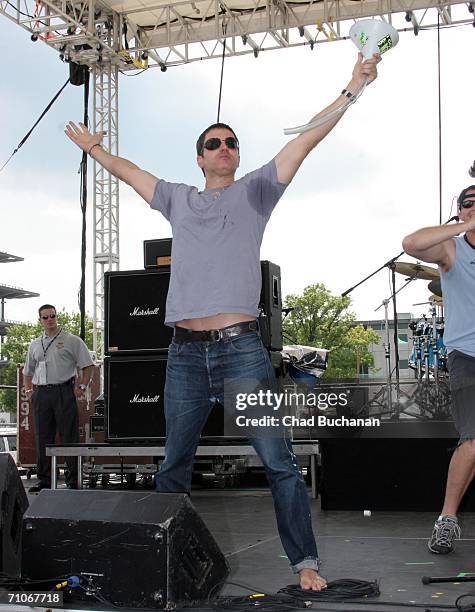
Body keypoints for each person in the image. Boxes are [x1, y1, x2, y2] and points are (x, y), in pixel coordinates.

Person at [65, 52, 381, 590]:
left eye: (232, 141)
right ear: (200, 158)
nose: (225, 148)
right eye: (214, 142)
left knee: (279, 461)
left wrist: (353, 86)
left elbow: (306, 139)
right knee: (173, 467)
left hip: (242, 352)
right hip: (186, 352)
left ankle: (304, 563)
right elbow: (131, 171)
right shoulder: (177, 199)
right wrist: (94, 148)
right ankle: (156, 564)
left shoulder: (256, 190)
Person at [402, 186, 475, 554]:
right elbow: (411, 242)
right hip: (467, 355)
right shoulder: (452, 248)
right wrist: (462, 226)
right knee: (474, 440)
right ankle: (447, 520)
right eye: (469, 202)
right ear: (459, 210)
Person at [24, 304, 94, 492]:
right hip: (42, 393)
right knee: (43, 437)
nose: (49, 320)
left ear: (57, 317)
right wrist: (29, 391)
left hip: (64, 391)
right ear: (40, 321)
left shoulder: (72, 340)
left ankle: (73, 480)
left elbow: (88, 365)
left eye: (52, 316)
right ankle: (45, 480)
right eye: (45, 317)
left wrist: (82, 386)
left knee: (69, 436)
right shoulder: (34, 344)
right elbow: (27, 371)